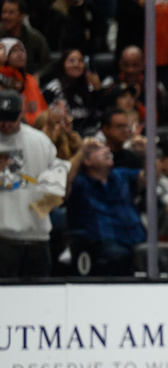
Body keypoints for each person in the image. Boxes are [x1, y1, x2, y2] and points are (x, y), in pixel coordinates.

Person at [0, 90, 66, 278]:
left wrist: (47, 203)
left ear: (21, 113)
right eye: (1, 118)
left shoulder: (39, 141)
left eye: (10, 119)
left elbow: (58, 184)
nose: (5, 124)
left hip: (37, 237)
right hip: (3, 238)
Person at [65, 137, 146, 276]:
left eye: (105, 146)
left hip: (134, 239)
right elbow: (63, 184)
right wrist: (80, 153)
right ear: (87, 161)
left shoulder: (121, 175)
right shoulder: (79, 183)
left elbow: (151, 176)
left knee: (158, 254)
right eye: (98, 149)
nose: (107, 149)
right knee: (118, 255)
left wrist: (148, 153)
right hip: (99, 245)